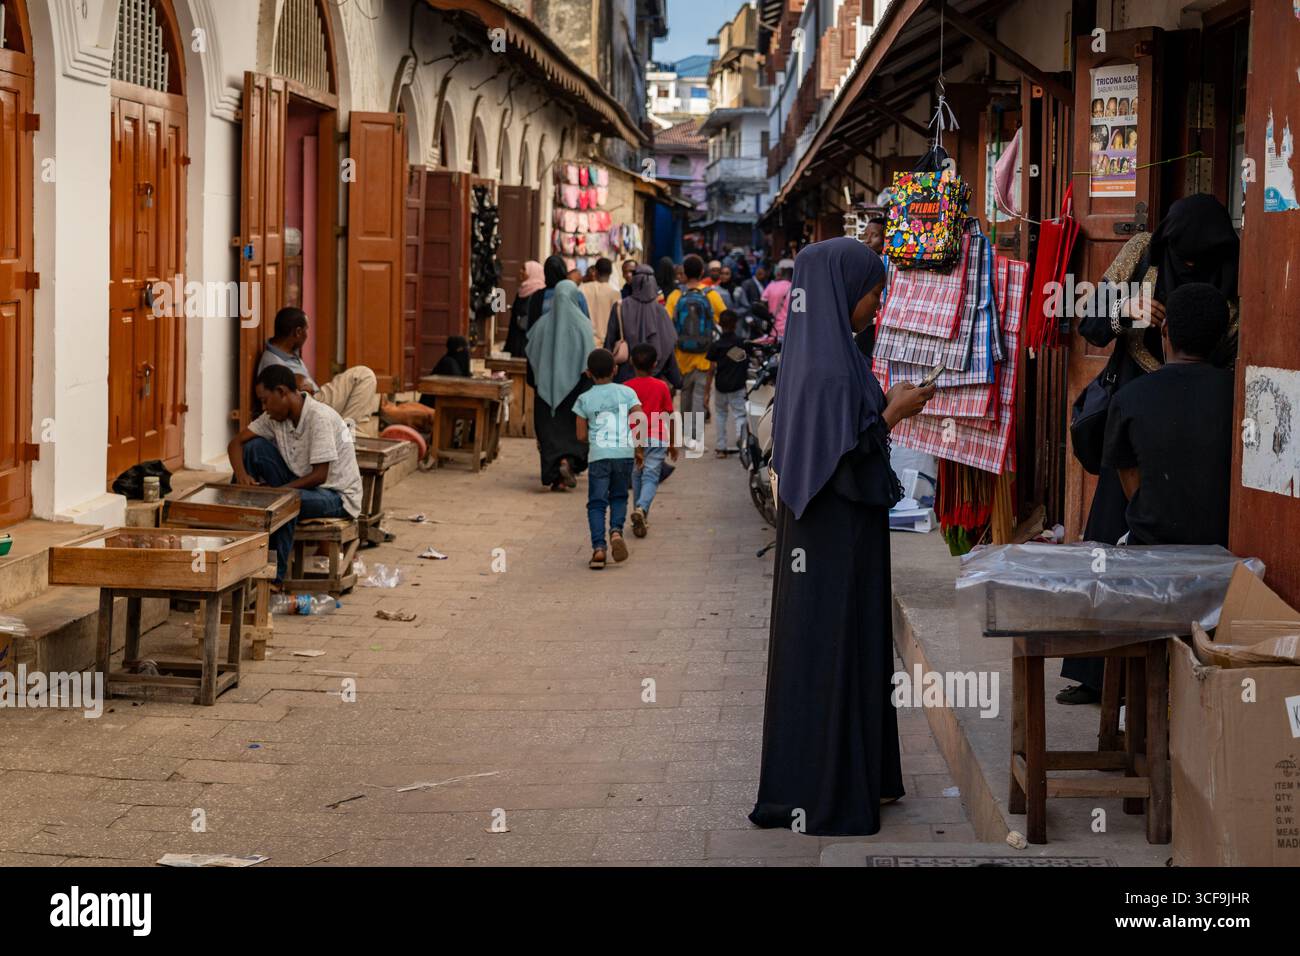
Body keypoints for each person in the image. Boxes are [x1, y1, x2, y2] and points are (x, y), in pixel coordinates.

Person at [749, 237, 934, 836]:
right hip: (831, 540)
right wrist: (892, 414)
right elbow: (843, 458)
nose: (877, 305)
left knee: (843, 646)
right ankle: (826, 788)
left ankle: (850, 774)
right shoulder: (831, 367)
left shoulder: (824, 352)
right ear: (844, 292)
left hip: (830, 536)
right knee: (836, 647)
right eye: (873, 292)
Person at [1061, 192, 1239, 704]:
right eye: (1180, 258)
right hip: (1139, 413)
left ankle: (1184, 664)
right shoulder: (1141, 250)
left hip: (1203, 413)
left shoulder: (1236, 269)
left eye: (1198, 261)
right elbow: (1089, 321)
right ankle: (1095, 672)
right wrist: (1130, 308)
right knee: (1115, 530)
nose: (1188, 266)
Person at [1102, 283, 1233, 548]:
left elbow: (1130, 480)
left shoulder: (1128, 399)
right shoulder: (1241, 396)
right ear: (1222, 339)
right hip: (1222, 548)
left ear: (1165, 331)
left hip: (1150, 547)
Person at [228, 365, 363, 583]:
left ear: (282, 392)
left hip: (336, 495)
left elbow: (320, 475)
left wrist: (279, 492)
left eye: (265, 400)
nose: (264, 407)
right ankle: (239, 553)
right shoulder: (273, 417)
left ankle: (274, 578)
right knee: (253, 448)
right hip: (300, 483)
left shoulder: (319, 417)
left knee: (286, 503)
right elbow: (236, 444)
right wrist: (242, 476)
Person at [257, 306, 378, 435]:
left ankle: (348, 434)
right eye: (306, 330)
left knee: (362, 404)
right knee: (363, 375)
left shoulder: (288, 352)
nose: (307, 335)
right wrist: (296, 385)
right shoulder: (272, 361)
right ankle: (348, 436)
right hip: (309, 404)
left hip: (315, 399)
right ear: (297, 332)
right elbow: (283, 400)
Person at [573, 348, 641, 569]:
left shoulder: (583, 399)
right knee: (619, 497)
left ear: (588, 373)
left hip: (599, 457)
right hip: (623, 454)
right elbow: (638, 421)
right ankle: (616, 532)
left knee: (596, 503)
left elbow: (581, 435)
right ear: (615, 369)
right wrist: (638, 449)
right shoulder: (627, 392)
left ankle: (599, 549)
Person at [526, 278, 594, 491]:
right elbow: (589, 363)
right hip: (575, 391)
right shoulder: (583, 325)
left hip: (545, 391)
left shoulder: (541, 325)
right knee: (572, 433)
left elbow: (530, 355)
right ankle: (568, 464)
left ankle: (556, 475)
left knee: (549, 433)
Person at [666, 255, 726, 448]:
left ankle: (685, 435)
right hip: (704, 356)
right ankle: (696, 437)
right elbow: (724, 317)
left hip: (681, 356)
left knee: (685, 395)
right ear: (702, 272)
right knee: (699, 396)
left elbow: (668, 324)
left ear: (684, 272)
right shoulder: (711, 294)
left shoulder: (676, 296)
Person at [625, 343, 677, 538]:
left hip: (633, 438)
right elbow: (669, 415)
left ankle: (640, 513)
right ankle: (641, 509)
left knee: (636, 475)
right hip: (657, 437)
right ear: (655, 364)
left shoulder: (626, 387)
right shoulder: (661, 386)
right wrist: (672, 443)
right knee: (651, 477)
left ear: (631, 362)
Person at [603, 264, 678, 385]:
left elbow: (609, 341)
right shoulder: (661, 311)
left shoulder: (620, 306)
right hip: (654, 379)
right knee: (649, 404)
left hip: (624, 379)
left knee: (625, 404)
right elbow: (669, 342)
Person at [706, 310, 749, 457]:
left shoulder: (716, 345)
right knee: (740, 415)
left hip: (721, 386)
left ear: (719, 324)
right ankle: (742, 445)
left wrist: (707, 392)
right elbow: (747, 361)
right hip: (737, 386)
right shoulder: (741, 343)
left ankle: (721, 447)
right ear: (736, 324)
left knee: (720, 415)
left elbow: (711, 370)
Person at [505, 260, 546, 357]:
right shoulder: (521, 291)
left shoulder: (538, 292)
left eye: (524, 269)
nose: (520, 271)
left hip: (529, 339)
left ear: (533, 273)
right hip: (517, 337)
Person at [581, 257, 620, 347]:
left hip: (586, 341)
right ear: (610, 273)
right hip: (606, 343)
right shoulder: (615, 294)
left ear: (596, 271)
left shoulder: (582, 289)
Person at [762, 260, 795, 339]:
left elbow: (763, 304)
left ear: (781, 270)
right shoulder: (795, 288)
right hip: (791, 331)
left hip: (774, 331)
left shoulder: (771, 286)